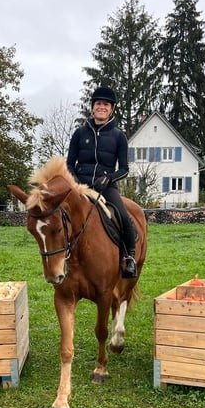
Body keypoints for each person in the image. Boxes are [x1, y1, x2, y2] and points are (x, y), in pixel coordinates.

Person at [66, 86, 138, 278]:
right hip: (81, 187)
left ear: (111, 109)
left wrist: (109, 178)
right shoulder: (79, 134)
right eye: (98, 103)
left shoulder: (118, 136)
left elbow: (124, 169)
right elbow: (69, 164)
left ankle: (129, 257)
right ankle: (60, 256)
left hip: (105, 187)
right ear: (92, 107)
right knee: (59, 216)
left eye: (106, 104)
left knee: (123, 216)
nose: (101, 107)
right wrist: (75, 181)